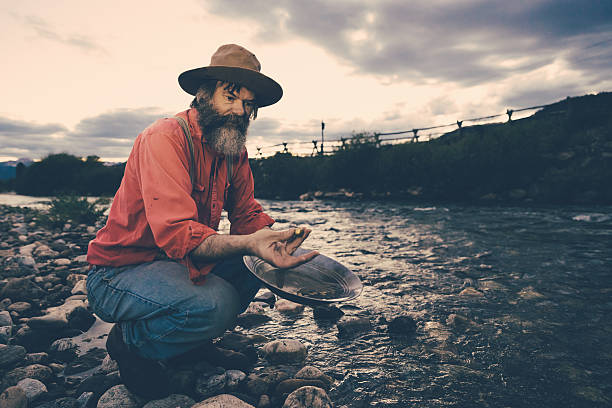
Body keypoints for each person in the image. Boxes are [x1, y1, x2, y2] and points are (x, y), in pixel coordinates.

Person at [86, 44, 317, 398]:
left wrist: (278, 243)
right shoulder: (165, 137)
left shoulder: (233, 151)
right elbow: (178, 234)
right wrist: (250, 242)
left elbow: (247, 216)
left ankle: (189, 344)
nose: (240, 110)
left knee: (254, 262)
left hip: (174, 264)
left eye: (249, 104)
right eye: (231, 96)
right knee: (218, 303)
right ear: (203, 93)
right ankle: (131, 344)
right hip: (119, 273)